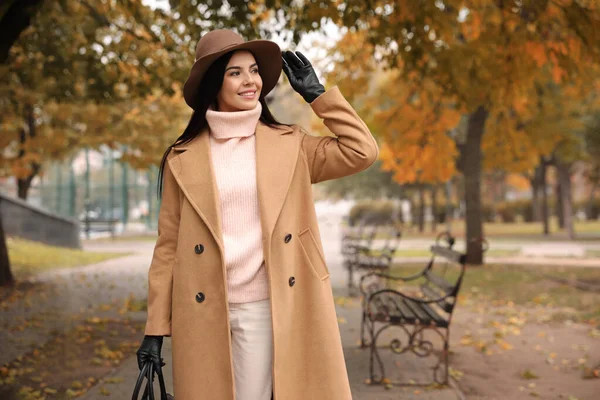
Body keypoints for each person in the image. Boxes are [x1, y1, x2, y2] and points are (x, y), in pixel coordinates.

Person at [136, 29, 379, 400]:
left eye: (253, 70)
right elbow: (168, 244)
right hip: (200, 308)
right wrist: (155, 328)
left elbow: (361, 151)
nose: (250, 80)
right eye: (235, 72)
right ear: (214, 83)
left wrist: (317, 96)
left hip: (261, 304)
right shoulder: (181, 156)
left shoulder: (290, 144)